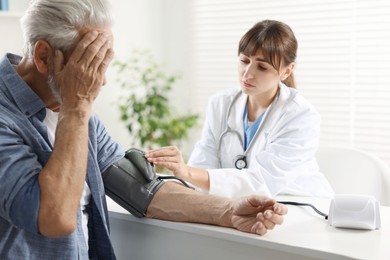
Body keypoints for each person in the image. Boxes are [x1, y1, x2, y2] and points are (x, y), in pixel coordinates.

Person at [0, 1, 288, 259]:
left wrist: (228, 210)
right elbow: (54, 218)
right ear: (44, 56)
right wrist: (77, 108)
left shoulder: (77, 113)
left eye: (104, 65)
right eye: (89, 66)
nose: (100, 82)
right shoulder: (58, 110)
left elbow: (142, 191)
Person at [145, 20, 334, 199]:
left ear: (286, 71)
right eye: (244, 61)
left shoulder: (301, 116)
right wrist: (183, 173)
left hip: (301, 206)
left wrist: (188, 172)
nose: (248, 73)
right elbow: (202, 166)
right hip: (240, 205)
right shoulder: (221, 104)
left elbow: (262, 182)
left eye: (262, 67)